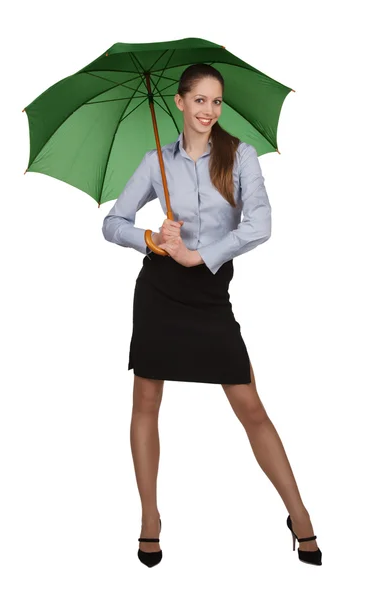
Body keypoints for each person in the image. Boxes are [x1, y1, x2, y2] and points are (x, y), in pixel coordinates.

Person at [102, 63, 322, 568]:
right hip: (159, 292)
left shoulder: (238, 155)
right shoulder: (156, 160)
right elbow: (112, 223)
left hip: (208, 290)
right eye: (199, 100)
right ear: (179, 103)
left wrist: (199, 255)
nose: (208, 110)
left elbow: (261, 225)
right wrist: (153, 240)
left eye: (216, 101)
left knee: (252, 408)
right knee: (146, 404)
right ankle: (150, 519)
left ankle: (300, 514)